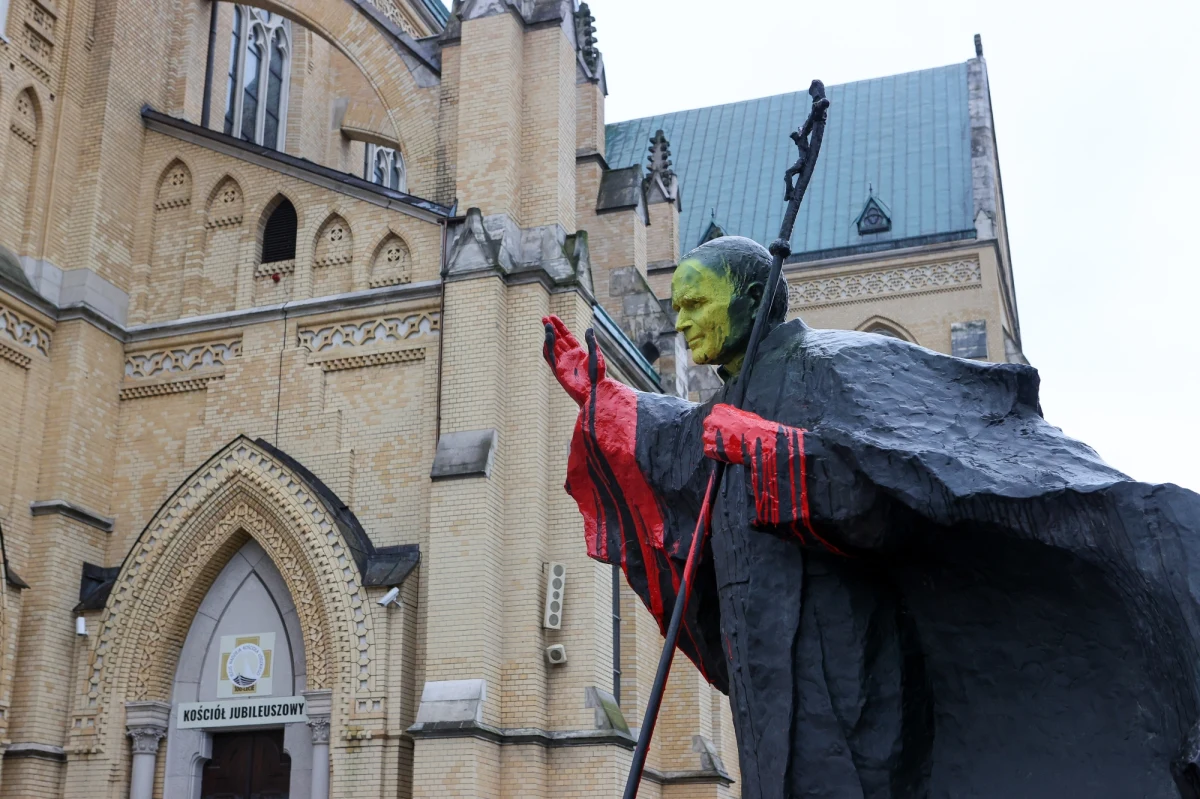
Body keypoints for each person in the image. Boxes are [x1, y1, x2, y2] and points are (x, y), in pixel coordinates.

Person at [543, 235, 1200, 799]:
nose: (680, 322)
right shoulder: (728, 400)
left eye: (696, 304)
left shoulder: (832, 364)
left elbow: (898, 489)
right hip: (762, 656)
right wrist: (605, 399)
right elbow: (678, 450)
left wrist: (774, 450)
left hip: (840, 654)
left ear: (754, 298)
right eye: (677, 305)